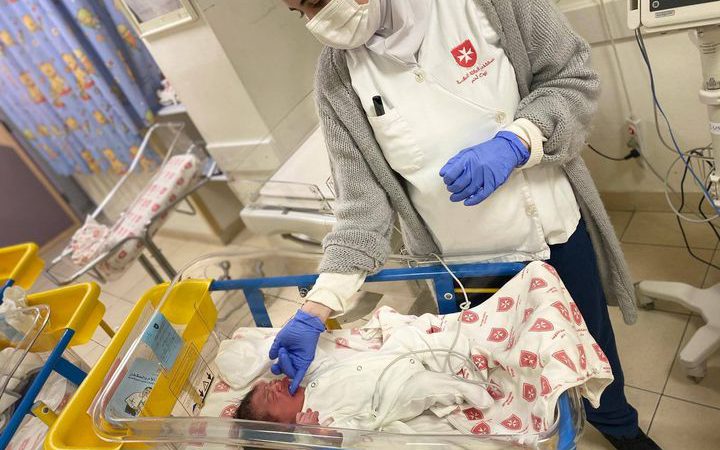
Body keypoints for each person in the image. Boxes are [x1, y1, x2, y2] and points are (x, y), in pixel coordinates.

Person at [271, 1, 659, 448]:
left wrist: (517, 141)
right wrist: (317, 306)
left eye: (317, 2)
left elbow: (571, 78)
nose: (317, 22)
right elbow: (362, 207)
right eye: (299, 12)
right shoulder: (338, 75)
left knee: (591, 349)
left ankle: (619, 427)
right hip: (461, 267)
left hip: (551, 235)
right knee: (489, 383)